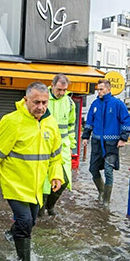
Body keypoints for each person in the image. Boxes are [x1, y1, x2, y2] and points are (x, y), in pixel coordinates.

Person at [0, 82, 63, 261]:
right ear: (26, 100)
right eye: (36, 102)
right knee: (25, 222)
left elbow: (56, 156)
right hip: (14, 184)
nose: (41, 107)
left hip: (36, 185)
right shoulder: (11, 121)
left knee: (31, 221)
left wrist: (56, 175)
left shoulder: (51, 124)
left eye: (44, 102)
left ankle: (11, 233)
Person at [82, 79, 130, 207]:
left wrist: (123, 138)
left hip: (112, 143)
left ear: (108, 90)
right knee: (93, 169)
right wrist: (85, 137)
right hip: (97, 142)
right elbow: (89, 121)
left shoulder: (117, 104)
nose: (99, 92)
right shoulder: (95, 104)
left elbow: (126, 120)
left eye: (101, 89)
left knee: (108, 171)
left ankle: (106, 201)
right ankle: (102, 191)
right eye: (98, 89)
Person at [39, 74, 77, 217]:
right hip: (43, 145)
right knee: (43, 180)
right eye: (59, 90)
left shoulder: (69, 102)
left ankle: (50, 205)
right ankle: (41, 209)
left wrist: (72, 144)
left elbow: (71, 125)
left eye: (64, 90)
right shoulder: (43, 98)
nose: (62, 93)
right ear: (52, 85)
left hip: (63, 147)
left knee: (64, 180)